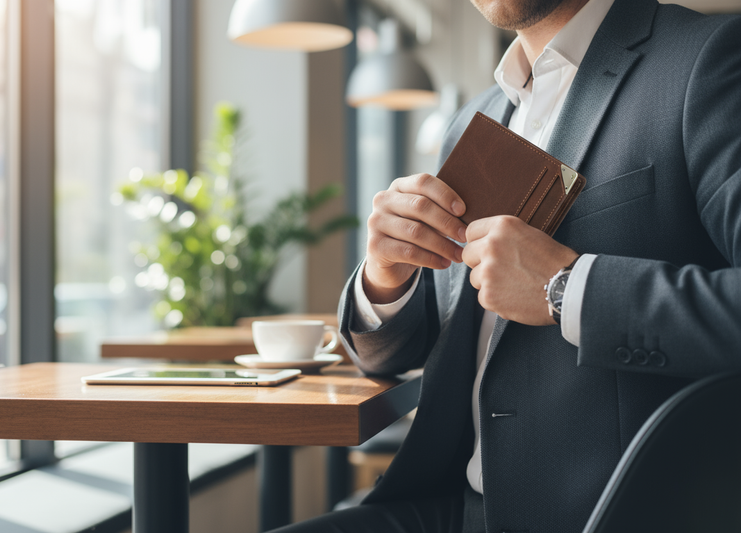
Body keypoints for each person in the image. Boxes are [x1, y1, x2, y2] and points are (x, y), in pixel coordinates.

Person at [271, 0, 741, 531]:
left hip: (609, 511)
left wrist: (566, 286)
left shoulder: (711, 59)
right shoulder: (477, 118)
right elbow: (388, 358)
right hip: (452, 503)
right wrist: (385, 275)